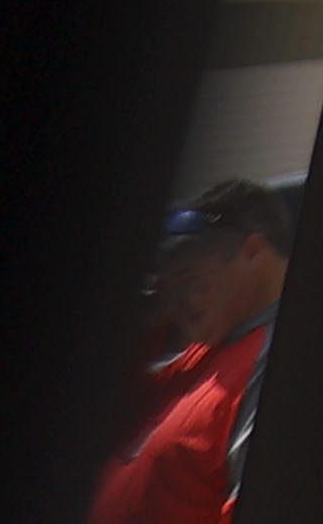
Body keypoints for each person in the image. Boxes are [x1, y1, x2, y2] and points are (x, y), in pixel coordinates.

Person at [97, 181, 286, 524]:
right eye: (172, 289)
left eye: (191, 281)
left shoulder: (271, 359)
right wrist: (149, 319)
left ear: (253, 252)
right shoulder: (201, 355)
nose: (179, 301)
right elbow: (110, 414)